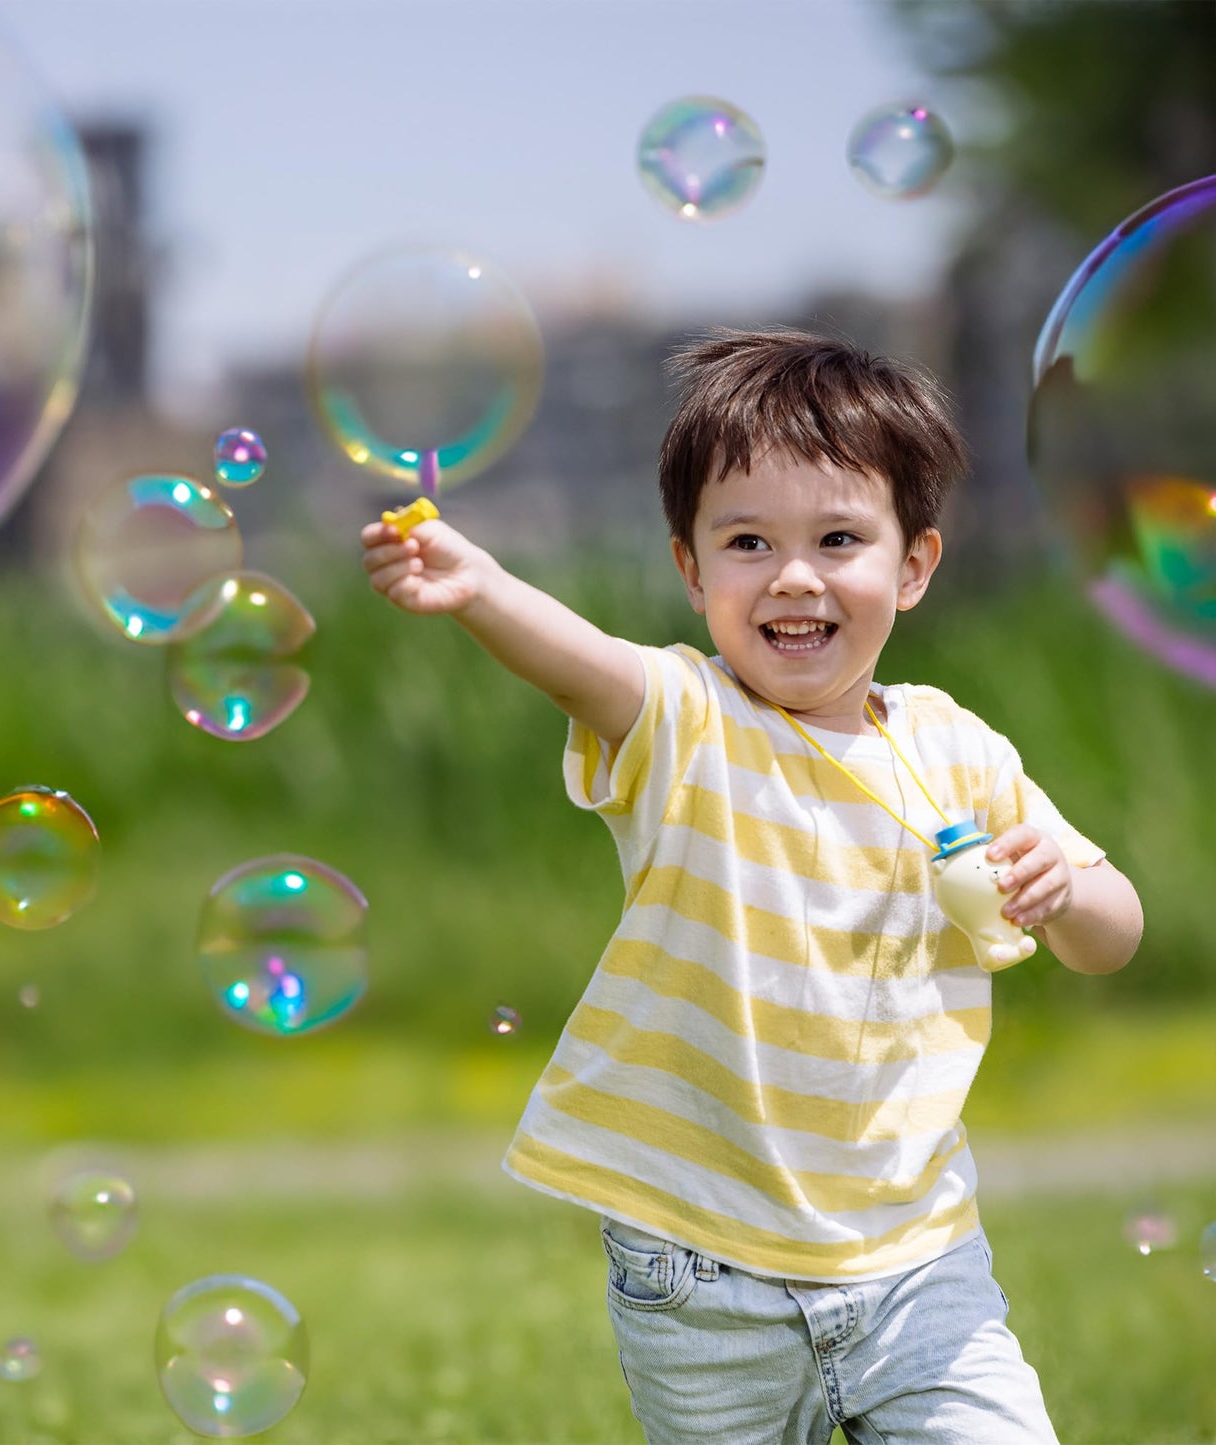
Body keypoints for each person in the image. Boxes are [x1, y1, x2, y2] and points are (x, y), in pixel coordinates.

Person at [360, 328, 1143, 1445]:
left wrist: (1063, 884)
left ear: (912, 565)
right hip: (700, 1270)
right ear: (688, 568)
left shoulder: (956, 747)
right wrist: (483, 589)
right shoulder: (689, 721)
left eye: (837, 537)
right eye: (744, 541)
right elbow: (584, 660)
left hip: (917, 1257)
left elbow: (1112, 936)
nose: (791, 575)